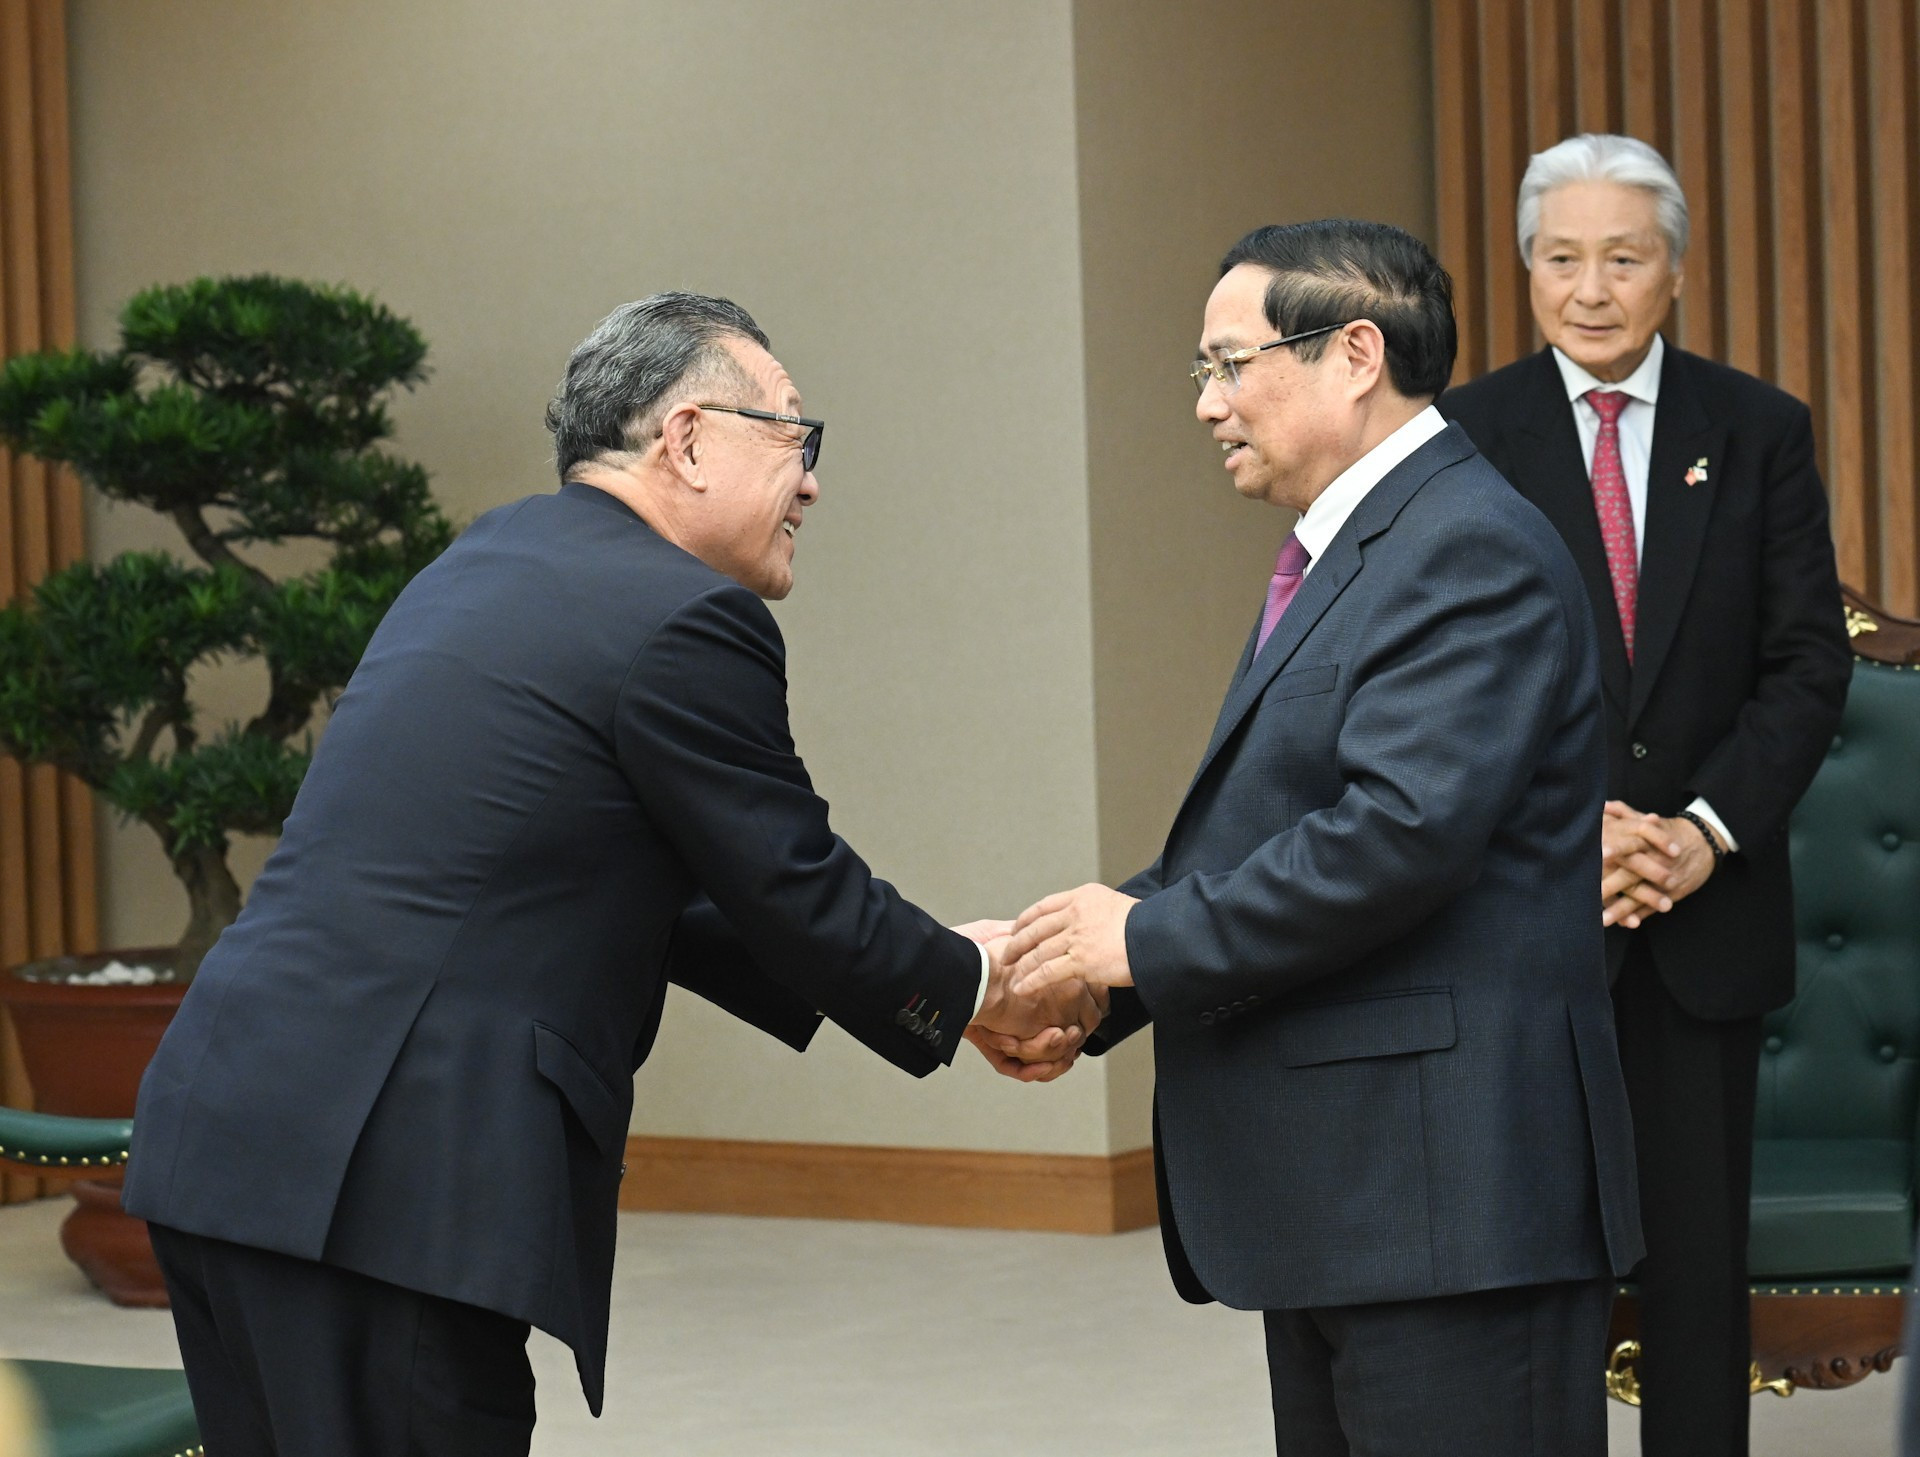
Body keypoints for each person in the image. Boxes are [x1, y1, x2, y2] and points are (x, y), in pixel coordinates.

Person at [122, 292, 1094, 1457]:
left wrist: (937, 975)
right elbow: (792, 883)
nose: (814, 480)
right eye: (795, 436)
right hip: (384, 1183)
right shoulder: (687, 618)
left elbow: (650, 871)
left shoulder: (485, 558)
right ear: (686, 438)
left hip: (229, 1134)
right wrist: (975, 981)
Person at [993, 220, 1642, 1456]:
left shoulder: (1465, 545)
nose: (1207, 405)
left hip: (1450, 1206)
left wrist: (1139, 939)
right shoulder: (1355, 546)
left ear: (1354, 352)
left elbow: (1392, 837)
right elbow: (1274, 829)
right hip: (1359, 1198)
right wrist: (1090, 974)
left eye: (1227, 364)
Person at [1436, 135, 1851, 1457]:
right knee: (1536, 1269)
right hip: (1524, 926)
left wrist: (1699, 835)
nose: (1592, 287)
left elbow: (1805, 661)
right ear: (1526, 271)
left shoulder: (1760, 430)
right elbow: (1447, 672)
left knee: (1692, 1276)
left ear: (1675, 272)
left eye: (1625, 258)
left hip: (1702, 917)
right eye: (1563, 258)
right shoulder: (1461, 437)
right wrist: (1575, 840)